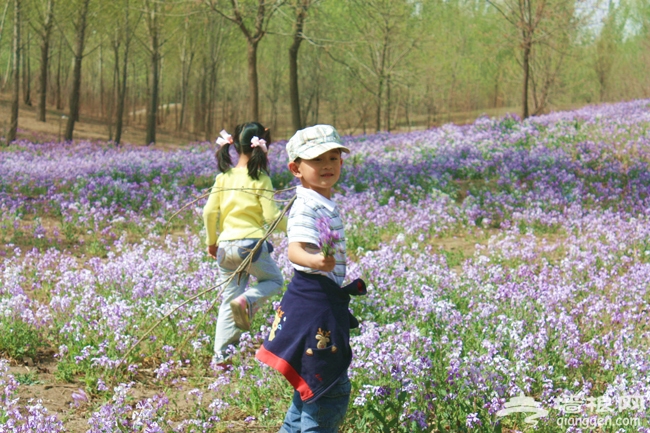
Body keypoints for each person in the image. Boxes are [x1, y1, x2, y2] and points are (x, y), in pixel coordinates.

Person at [255, 125, 367, 433]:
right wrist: (315, 260)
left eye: (334, 156)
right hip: (316, 303)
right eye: (317, 160)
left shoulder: (319, 200)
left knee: (307, 393)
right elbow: (294, 251)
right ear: (296, 169)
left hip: (316, 300)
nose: (328, 164)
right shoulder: (306, 205)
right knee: (329, 389)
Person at [203, 122, 287, 365]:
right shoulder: (260, 178)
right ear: (263, 146)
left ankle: (220, 357)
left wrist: (211, 242)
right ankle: (247, 302)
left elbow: (209, 212)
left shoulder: (223, 177)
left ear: (235, 146)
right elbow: (271, 216)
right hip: (250, 245)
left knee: (228, 299)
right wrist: (294, 231)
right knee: (273, 281)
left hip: (225, 246)